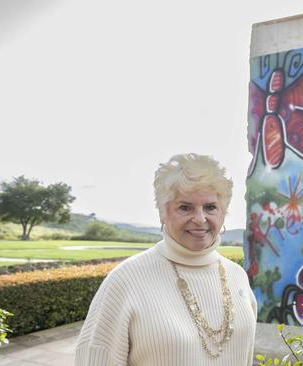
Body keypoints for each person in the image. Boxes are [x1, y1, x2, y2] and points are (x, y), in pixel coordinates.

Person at [76, 153, 257, 366]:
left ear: (223, 213)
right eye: (185, 207)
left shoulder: (237, 276)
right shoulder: (125, 281)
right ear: (162, 213)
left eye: (210, 207)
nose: (200, 219)